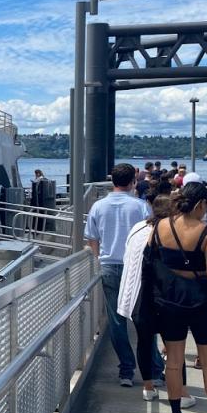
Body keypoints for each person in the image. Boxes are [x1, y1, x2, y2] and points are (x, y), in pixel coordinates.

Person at [149, 181, 207, 413]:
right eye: (206, 206)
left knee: (173, 362)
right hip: (201, 304)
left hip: (169, 301)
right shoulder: (206, 232)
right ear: (200, 204)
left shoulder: (160, 226)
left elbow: (152, 259)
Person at [85, 163, 151, 386]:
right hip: (137, 267)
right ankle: (153, 371)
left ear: (112, 180)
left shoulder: (98, 206)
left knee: (116, 320)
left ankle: (126, 371)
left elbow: (92, 238)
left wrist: (97, 260)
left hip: (109, 266)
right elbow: (151, 237)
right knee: (145, 319)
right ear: (133, 181)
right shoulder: (141, 206)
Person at [118, 193, 180, 403]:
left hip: (137, 296)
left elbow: (129, 255)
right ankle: (180, 391)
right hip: (165, 298)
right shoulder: (170, 232)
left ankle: (148, 387)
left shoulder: (137, 228)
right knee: (174, 346)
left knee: (144, 342)